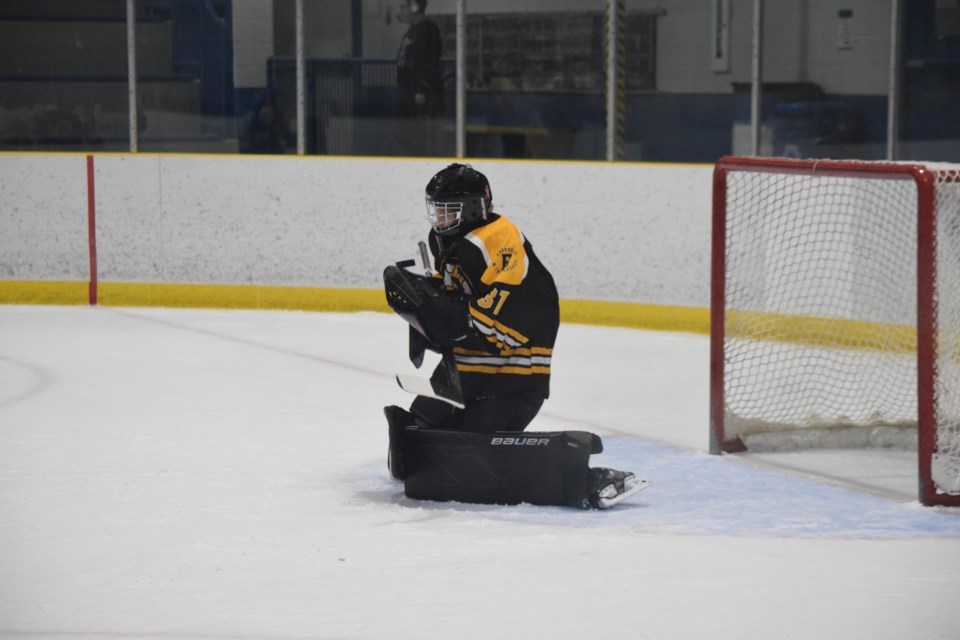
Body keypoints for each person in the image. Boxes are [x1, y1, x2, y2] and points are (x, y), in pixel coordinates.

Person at [382, 164, 647, 509]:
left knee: (465, 461)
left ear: (474, 208)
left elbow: (494, 326)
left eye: (449, 210)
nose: (439, 219)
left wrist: (436, 311)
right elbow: (457, 319)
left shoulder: (498, 244)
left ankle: (583, 480)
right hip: (467, 372)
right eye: (437, 210)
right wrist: (424, 306)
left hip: (513, 379)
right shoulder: (449, 241)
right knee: (417, 446)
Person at [393, 0, 444, 155]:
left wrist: (422, 88)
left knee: (417, 135)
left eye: (403, 7)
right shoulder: (413, 30)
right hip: (408, 91)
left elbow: (429, 61)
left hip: (418, 93)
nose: (401, 11)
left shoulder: (427, 29)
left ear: (414, 8)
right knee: (402, 132)